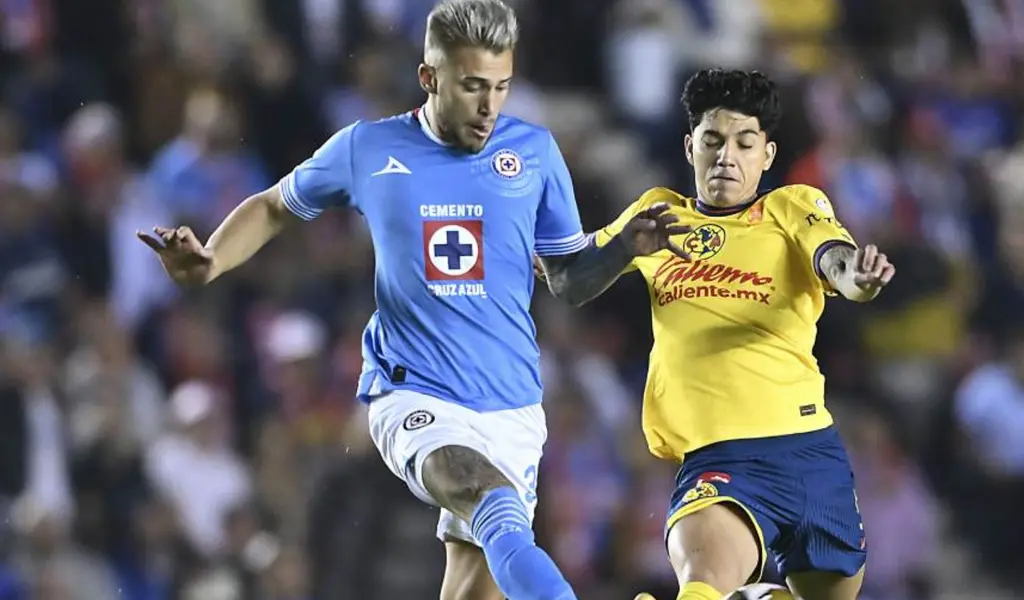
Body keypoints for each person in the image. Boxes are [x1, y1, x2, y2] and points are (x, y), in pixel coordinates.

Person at [136, 1, 687, 599]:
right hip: (412, 392)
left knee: (477, 578)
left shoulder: (534, 152)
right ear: (429, 78)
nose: (488, 106)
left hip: (513, 409)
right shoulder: (368, 148)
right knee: (483, 492)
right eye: (473, 86)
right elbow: (274, 205)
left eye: (501, 87)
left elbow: (568, 279)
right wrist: (212, 259)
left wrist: (623, 249)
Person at [552, 68, 896, 600]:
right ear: (691, 147)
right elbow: (568, 281)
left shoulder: (791, 208)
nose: (726, 156)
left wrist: (860, 279)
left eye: (744, 143)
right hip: (721, 460)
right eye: (712, 141)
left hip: (812, 457)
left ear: (768, 154)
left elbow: (837, 262)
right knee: (703, 587)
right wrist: (624, 249)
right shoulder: (657, 216)